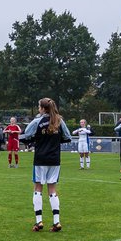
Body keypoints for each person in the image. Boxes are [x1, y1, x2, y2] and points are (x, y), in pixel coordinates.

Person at [21, 97, 72, 232]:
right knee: (52, 189)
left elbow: (26, 135)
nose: (38, 109)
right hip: (55, 159)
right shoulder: (59, 121)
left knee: (38, 187)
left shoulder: (37, 121)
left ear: (43, 109)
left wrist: (37, 139)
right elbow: (67, 137)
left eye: (39, 107)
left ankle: (39, 221)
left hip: (40, 158)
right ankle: (57, 221)